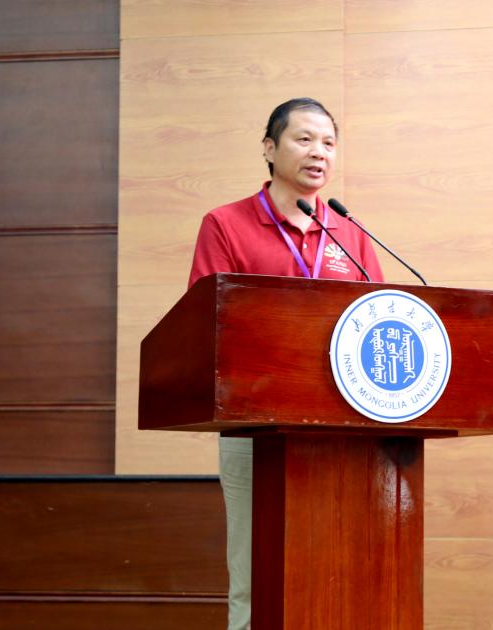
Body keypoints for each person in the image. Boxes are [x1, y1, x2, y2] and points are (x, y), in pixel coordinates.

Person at [188, 98, 384, 630]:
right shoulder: (226, 224)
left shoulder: (350, 232)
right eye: (304, 139)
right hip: (255, 429)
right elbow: (207, 321)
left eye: (329, 143)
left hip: (343, 433)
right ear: (270, 148)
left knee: (337, 573)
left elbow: (378, 321)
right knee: (257, 576)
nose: (319, 152)